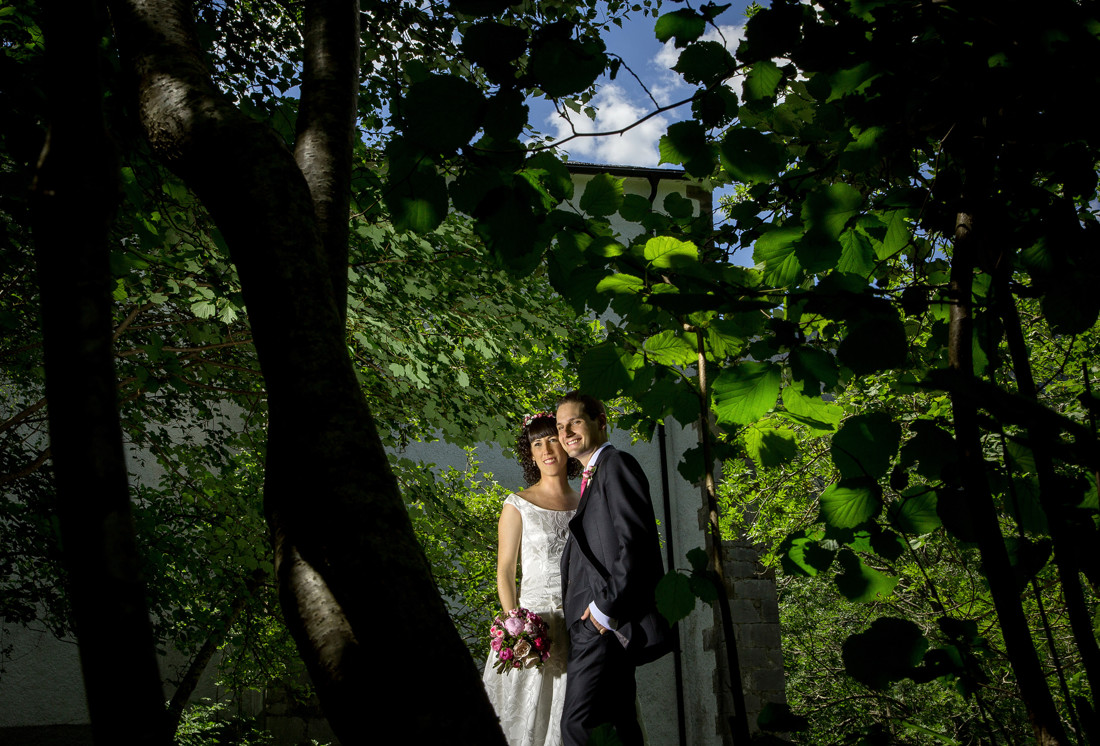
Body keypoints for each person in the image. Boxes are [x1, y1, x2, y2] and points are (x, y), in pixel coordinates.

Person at [556, 392, 669, 746]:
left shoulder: (616, 464)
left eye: (575, 422)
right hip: (600, 625)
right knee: (618, 725)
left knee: (578, 727)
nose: (566, 433)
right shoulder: (594, 476)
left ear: (601, 422)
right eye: (560, 427)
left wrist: (602, 611)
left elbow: (634, 543)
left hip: (603, 622)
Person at [483, 413, 581, 746]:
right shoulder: (517, 505)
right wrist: (515, 626)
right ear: (531, 454)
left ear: (565, 444)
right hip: (536, 628)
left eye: (552, 440)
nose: (547, 450)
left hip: (581, 624)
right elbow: (505, 571)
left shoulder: (586, 503)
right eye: (537, 444)